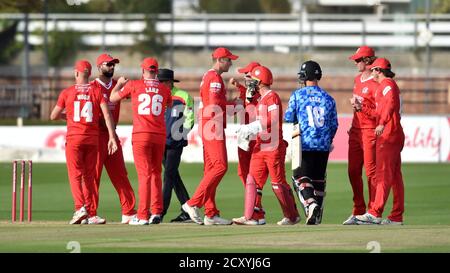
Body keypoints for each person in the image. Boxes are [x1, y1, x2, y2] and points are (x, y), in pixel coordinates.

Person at [50, 60, 118, 224]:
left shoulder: (67, 92)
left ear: (76, 73)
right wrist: (111, 136)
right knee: (89, 176)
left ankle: (80, 208)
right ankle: (91, 213)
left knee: (75, 175)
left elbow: (53, 115)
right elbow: (107, 115)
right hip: (92, 139)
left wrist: (67, 117)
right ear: (89, 74)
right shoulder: (96, 90)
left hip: (74, 138)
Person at [233, 65, 300, 226]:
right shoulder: (261, 99)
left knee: (277, 183)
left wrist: (251, 127)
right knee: (253, 181)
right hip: (260, 145)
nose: (251, 84)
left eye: (254, 81)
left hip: (273, 146)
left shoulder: (272, 97)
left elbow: (273, 119)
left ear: (261, 82)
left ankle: (292, 215)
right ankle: (252, 216)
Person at [110, 57, 172, 225]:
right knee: (156, 173)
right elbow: (168, 104)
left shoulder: (134, 85)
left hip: (141, 134)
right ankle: (157, 212)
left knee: (144, 174)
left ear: (143, 70)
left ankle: (143, 215)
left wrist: (119, 84)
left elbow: (113, 98)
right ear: (157, 71)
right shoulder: (165, 89)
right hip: (158, 134)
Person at [181, 47, 239, 225]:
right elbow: (214, 104)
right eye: (229, 60)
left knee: (211, 170)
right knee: (220, 166)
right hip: (212, 124)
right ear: (220, 60)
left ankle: (211, 213)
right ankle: (192, 203)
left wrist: (230, 104)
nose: (231, 63)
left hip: (208, 123)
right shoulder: (214, 78)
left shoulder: (211, 76)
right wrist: (232, 106)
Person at [284, 60, 338, 225]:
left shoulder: (298, 95)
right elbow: (334, 124)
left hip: (304, 143)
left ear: (304, 76)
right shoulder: (329, 98)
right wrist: (328, 140)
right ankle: (317, 214)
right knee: (319, 180)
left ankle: (311, 204)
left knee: (299, 178)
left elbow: (288, 119)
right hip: (323, 144)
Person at [353, 58, 405, 225]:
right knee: (395, 177)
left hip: (389, 134)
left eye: (374, 69)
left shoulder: (387, 84)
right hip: (392, 133)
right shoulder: (384, 86)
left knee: (383, 174)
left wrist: (382, 123)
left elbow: (390, 105)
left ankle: (375, 212)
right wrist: (362, 108)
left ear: (379, 70)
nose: (372, 72)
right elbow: (378, 111)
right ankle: (396, 216)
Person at [89, 53, 137, 225]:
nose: (111, 67)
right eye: (108, 64)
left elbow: (137, 96)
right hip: (96, 135)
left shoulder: (118, 85)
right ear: (99, 66)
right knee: (94, 175)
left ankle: (129, 212)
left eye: (113, 64)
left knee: (120, 173)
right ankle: (90, 212)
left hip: (112, 134)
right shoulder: (92, 86)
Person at [343, 46, 379, 225]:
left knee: (371, 172)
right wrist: (353, 124)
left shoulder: (377, 82)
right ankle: (359, 210)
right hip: (356, 130)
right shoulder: (357, 79)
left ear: (367, 61)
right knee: (353, 171)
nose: (355, 63)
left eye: (358, 60)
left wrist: (361, 107)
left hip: (370, 131)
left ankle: (373, 212)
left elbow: (379, 111)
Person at [158, 68, 194, 223]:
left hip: (175, 143)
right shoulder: (157, 95)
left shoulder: (184, 96)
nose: (159, 85)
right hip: (159, 141)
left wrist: (181, 134)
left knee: (168, 176)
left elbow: (190, 117)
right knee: (173, 176)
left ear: (169, 82)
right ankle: (188, 208)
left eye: (161, 82)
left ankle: (160, 211)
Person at [229, 61, 261, 186]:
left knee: (252, 174)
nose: (245, 78)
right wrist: (239, 87)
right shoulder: (249, 92)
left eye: (247, 75)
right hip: (245, 137)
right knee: (243, 172)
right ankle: (253, 203)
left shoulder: (260, 95)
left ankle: (255, 203)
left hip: (255, 138)